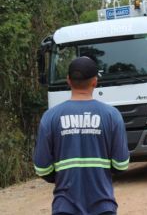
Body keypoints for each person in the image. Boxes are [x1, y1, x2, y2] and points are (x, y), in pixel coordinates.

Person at [33, 56, 130, 215]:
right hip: (103, 207)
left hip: (64, 207)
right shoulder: (112, 116)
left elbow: (42, 168)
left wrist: (58, 177)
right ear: (95, 81)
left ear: (68, 81)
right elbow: (121, 164)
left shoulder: (50, 117)